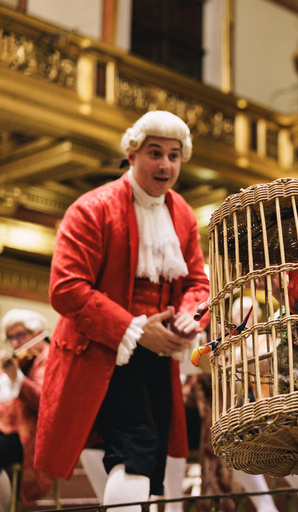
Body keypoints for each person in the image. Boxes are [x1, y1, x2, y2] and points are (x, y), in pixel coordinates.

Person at [34, 110, 210, 511]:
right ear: (131, 155)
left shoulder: (181, 212)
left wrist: (188, 317)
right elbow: (66, 288)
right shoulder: (91, 208)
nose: (165, 164)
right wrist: (134, 328)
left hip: (158, 356)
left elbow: (198, 284)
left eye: (174, 155)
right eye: (154, 153)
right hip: (100, 352)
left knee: (151, 453)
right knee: (137, 449)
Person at [0, 309, 55, 509]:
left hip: (32, 438)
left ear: (38, 332)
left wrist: (17, 379)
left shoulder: (49, 358)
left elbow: (45, 402)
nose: (15, 344)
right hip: (8, 431)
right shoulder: (16, 362)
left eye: (20, 336)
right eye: (10, 338)